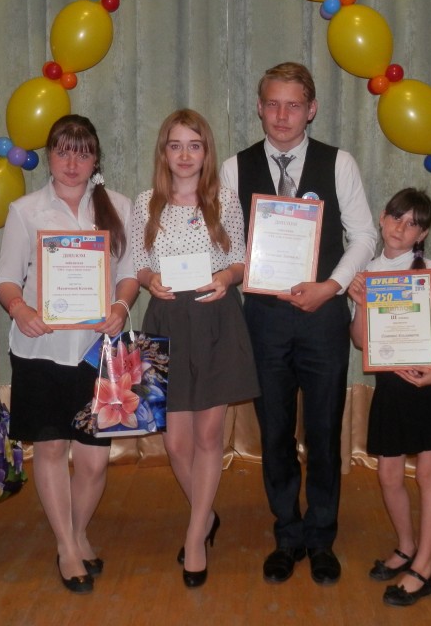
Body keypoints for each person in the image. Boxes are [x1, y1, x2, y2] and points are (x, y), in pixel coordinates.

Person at [219, 62, 377, 586]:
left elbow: (364, 236)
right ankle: (287, 534)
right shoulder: (234, 168)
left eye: (293, 105)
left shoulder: (339, 163)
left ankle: (321, 536)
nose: (282, 115)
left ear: (311, 110)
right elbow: (226, 244)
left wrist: (332, 286)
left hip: (323, 317)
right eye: (272, 104)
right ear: (259, 107)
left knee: (325, 429)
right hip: (263, 320)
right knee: (275, 431)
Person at [0, 114, 139, 594]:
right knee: (52, 448)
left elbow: (130, 273)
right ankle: (66, 545)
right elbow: (6, 278)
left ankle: (78, 532)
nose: (72, 162)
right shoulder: (25, 210)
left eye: (82, 152)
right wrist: (19, 309)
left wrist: (120, 307)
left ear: (96, 159)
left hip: (99, 351)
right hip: (41, 348)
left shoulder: (119, 206)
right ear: (49, 156)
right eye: (62, 151)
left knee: (95, 461)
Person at [132, 109, 259, 588]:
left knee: (208, 437)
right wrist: (150, 279)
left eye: (194, 145)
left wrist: (227, 277)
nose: (184, 155)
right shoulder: (146, 203)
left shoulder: (223, 200)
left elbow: (241, 259)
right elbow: (139, 262)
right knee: (175, 442)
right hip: (166, 321)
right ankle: (205, 516)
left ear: (206, 152)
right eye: (175, 145)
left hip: (215, 321)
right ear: (163, 152)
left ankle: (194, 537)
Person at [347, 188, 431, 607]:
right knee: (388, 476)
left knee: (428, 475)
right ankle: (406, 546)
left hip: (428, 384)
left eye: (413, 223)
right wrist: (359, 302)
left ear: (423, 234)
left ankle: (425, 567)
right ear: (382, 218)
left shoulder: (430, 270)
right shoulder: (367, 270)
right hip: (391, 387)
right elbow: (360, 341)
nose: (402, 228)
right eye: (397, 217)